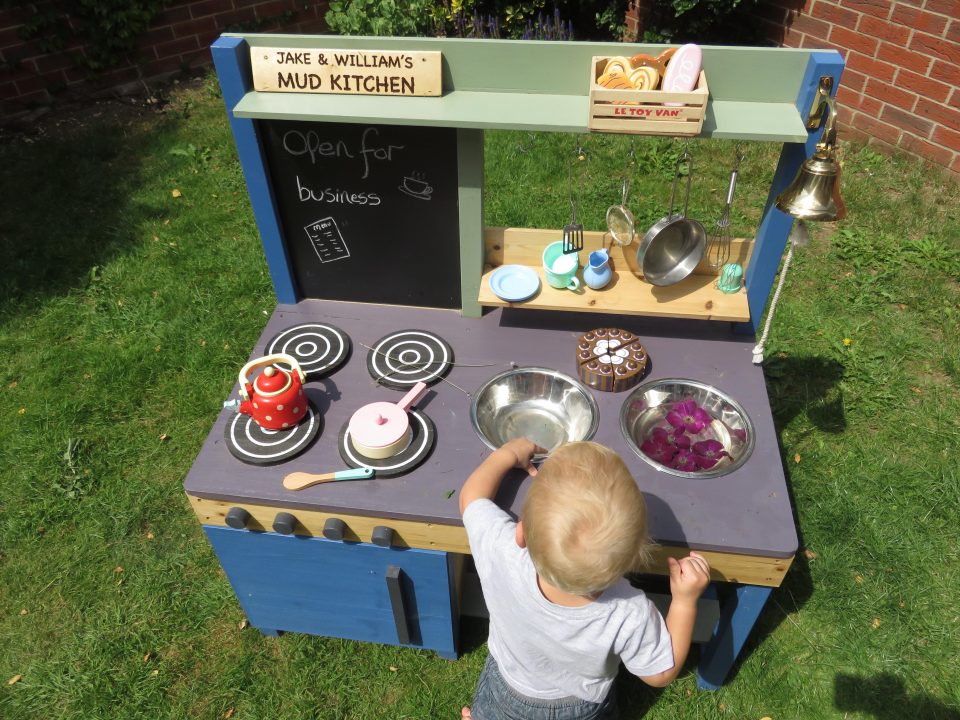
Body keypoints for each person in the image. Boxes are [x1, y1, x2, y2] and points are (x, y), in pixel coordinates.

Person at [459, 438, 711, 720]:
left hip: (507, 686)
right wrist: (685, 601)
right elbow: (661, 673)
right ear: (632, 561)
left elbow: (471, 498)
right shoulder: (627, 611)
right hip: (579, 706)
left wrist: (508, 454)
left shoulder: (502, 550)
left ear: (521, 533)